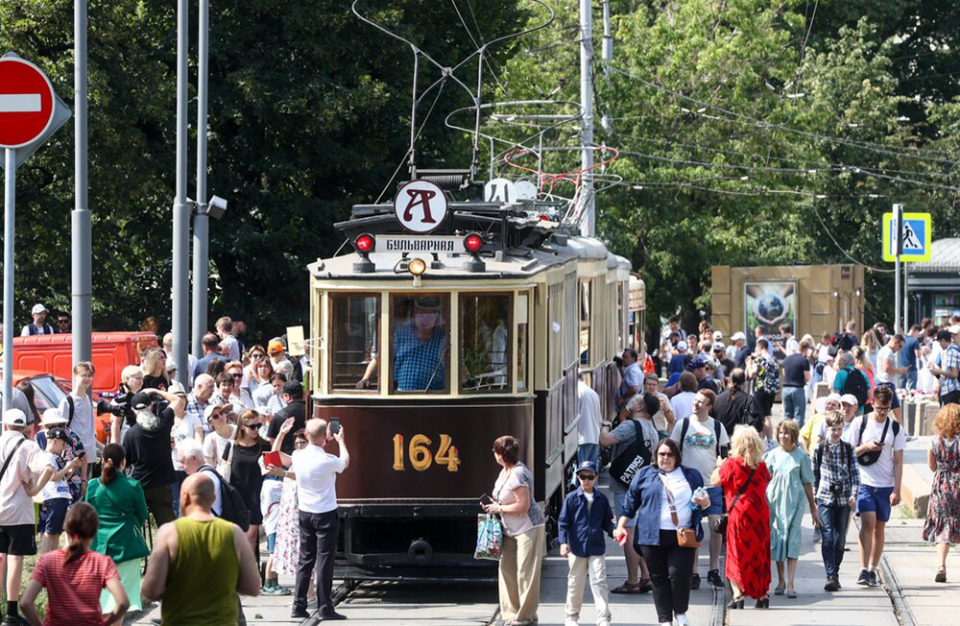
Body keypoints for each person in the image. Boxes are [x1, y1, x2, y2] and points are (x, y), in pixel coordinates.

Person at [141, 473, 261, 625]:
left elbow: (151, 591)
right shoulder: (234, 533)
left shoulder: (169, 533)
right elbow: (252, 587)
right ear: (213, 499)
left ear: (185, 497)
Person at [614, 438, 710, 626]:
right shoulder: (645, 474)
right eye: (661, 454)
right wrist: (620, 526)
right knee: (658, 579)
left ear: (677, 456)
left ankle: (680, 612)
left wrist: (704, 502)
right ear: (656, 456)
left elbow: (703, 505)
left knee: (679, 575)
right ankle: (665, 620)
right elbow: (630, 504)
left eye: (670, 454)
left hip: (682, 535)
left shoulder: (691, 475)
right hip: (651, 536)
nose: (665, 458)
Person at [271, 418, 349, 620]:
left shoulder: (298, 456)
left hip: (305, 513)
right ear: (325, 437)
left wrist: (281, 433)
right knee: (324, 561)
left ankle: (298, 605)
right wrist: (341, 441)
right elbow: (345, 462)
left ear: (306, 436)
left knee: (305, 560)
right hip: (325, 513)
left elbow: (275, 455)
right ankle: (325, 607)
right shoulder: (328, 460)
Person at [20, 503, 129, 626]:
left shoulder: (47, 560)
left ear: (66, 528)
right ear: (94, 531)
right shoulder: (102, 562)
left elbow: (25, 603)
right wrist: (104, 624)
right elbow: (123, 602)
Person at [481, 435, 546, 626]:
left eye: (495, 451)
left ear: (501, 454)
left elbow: (523, 506)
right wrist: (494, 504)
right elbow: (506, 498)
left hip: (528, 527)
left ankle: (526, 617)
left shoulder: (518, 474)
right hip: (509, 529)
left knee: (526, 573)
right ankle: (511, 614)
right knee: (506, 570)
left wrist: (499, 508)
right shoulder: (504, 472)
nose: (494, 454)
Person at [845, 385, 905, 588]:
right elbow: (847, 453)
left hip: (886, 484)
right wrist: (866, 447)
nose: (882, 412)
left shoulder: (895, 428)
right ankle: (863, 569)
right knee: (868, 523)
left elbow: (898, 461)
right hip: (864, 482)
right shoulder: (860, 423)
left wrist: (897, 489)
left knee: (879, 527)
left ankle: (872, 568)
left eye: (886, 409)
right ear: (873, 404)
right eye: (879, 408)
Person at [670, 389, 730, 589]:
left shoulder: (717, 427)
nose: (695, 404)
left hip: (712, 485)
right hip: (689, 485)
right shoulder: (683, 425)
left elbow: (724, 454)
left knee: (716, 526)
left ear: (709, 406)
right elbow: (673, 451)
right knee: (693, 529)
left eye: (700, 402)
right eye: (695, 400)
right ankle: (693, 572)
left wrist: (723, 471)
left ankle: (713, 570)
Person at [84, 443, 149, 614]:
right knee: (118, 605)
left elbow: (86, 516)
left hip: (98, 548)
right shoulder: (133, 485)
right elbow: (142, 516)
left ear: (103, 460)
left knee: (101, 603)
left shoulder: (92, 485)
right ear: (124, 462)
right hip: (127, 548)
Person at [712, 425, 771, 609]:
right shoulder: (761, 466)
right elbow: (767, 481)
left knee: (736, 552)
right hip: (760, 513)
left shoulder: (731, 463)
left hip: (739, 514)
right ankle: (762, 594)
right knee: (759, 553)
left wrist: (719, 465)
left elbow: (714, 481)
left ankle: (738, 594)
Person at [764, 419, 820, 597]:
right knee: (779, 539)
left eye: (787, 433)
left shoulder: (801, 457)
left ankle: (791, 583)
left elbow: (807, 483)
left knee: (793, 540)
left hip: (795, 503)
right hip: (774, 503)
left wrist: (813, 507)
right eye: (781, 432)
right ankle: (781, 580)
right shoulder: (771, 455)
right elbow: (764, 479)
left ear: (793, 435)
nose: (783, 436)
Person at [559, 461, 613, 626]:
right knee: (575, 583)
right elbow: (563, 523)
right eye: (583, 477)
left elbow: (607, 522)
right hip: (577, 547)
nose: (586, 480)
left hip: (596, 547)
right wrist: (563, 542)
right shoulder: (571, 498)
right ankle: (571, 617)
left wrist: (614, 532)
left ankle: (603, 617)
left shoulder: (601, 499)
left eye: (590, 477)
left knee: (599, 581)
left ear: (596, 478)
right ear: (578, 478)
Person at [122, 389, 186, 526]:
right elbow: (177, 400)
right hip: (162, 484)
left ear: (134, 411)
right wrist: (154, 390)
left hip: (139, 485)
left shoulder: (131, 434)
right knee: (168, 526)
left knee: (132, 524)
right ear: (151, 406)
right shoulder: (163, 422)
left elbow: (125, 462)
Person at [813, 411, 859, 591]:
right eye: (833, 429)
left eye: (839, 429)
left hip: (844, 499)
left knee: (840, 541)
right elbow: (814, 474)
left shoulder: (848, 449)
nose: (836, 433)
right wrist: (814, 499)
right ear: (826, 428)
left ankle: (835, 572)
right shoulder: (819, 449)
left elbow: (855, 474)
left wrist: (854, 494)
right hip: (824, 497)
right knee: (828, 537)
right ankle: (830, 575)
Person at [922, 404, 960, 583]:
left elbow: (932, 467)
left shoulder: (934, 441)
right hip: (958, 483)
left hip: (941, 486)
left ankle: (941, 566)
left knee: (943, 526)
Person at [229, 410, 272, 558]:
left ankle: (248, 568)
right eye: (252, 426)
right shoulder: (231, 446)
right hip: (236, 496)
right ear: (242, 426)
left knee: (251, 536)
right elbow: (223, 468)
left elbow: (274, 469)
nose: (256, 430)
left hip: (256, 495)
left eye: (259, 425)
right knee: (237, 537)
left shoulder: (265, 446)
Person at [36, 428, 83, 555]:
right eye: (63, 444)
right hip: (54, 497)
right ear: (55, 441)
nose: (64, 448)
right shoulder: (47, 457)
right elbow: (53, 477)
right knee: (50, 531)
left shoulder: (54, 458)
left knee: (56, 532)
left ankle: (53, 558)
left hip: (60, 496)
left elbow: (62, 478)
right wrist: (68, 467)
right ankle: (45, 558)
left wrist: (72, 469)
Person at [57, 361, 97, 483]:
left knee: (87, 490)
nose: (87, 379)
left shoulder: (88, 399)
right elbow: (60, 429)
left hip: (90, 455)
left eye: (89, 376)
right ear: (75, 376)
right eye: (83, 375)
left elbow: (90, 429)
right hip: (74, 458)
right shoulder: (67, 402)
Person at [35, 409, 86, 505]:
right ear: (46, 426)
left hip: (70, 484)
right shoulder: (39, 438)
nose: (58, 429)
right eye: (53, 427)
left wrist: (83, 480)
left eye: (61, 425)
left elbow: (83, 456)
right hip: (48, 487)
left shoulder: (71, 436)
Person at [169, 382, 202, 516]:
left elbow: (199, 442)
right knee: (175, 502)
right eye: (176, 398)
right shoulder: (166, 419)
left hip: (190, 466)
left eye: (182, 397)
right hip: (172, 465)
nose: (180, 401)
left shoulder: (193, 419)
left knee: (191, 500)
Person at [712, 368, 763, 437]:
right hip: (740, 439)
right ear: (744, 383)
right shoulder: (749, 400)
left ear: (729, 380)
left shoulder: (717, 399)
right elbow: (757, 424)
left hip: (720, 438)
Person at [267, 381, 307, 455]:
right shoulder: (313, 412)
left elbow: (271, 439)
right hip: (310, 457)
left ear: (287, 396)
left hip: (285, 458)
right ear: (304, 394)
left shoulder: (278, 416)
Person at [108, 365, 143, 445]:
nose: (141, 381)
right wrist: (116, 446)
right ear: (127, 379)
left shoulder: (139, 397)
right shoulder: (119, 400)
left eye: (142, 378)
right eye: (138, 378)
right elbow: (115, 424)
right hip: (125, 442)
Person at [875, 334, 906, 422]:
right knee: (888, 409)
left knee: (895, 409)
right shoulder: (888, 352)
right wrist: (900, 371)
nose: (899, 349)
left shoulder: (883, 350)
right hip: (886, 383)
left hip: (883, 382)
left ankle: (899, 427)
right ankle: (898, 428)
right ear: (895, 342)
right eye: (900, 346)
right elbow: (886, 368)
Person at [576, 372, 602, 468]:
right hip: (594, 437)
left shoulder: (578, 392)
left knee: (582, 470)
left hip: (582, 438)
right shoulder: (593, 393)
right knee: (591, 471)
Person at [203, 404, 237, 476]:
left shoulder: (238, 430)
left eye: (221, 413)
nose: (220, 417)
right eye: (215, 416)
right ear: (210, 422)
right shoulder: (210, 439)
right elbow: (209, 467)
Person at [929, 327, 960, 406]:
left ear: (943, 340)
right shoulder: (949, 351)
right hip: (948, 389)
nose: (940, 345)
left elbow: (954, 374)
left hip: (951, 390)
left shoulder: (951, 352)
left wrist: (938, 371)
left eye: (939, 342)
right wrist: (936, 373)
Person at [781, 346, 811, 427]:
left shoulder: (786, 359)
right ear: (805, 350)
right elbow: (807, 378)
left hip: (785, 389)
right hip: (797, 389)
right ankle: (797, 434)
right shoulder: (804, 360)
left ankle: (786, 433)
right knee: (799, 416)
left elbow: (784, 373)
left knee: (787, 416)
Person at [900, 325, 923, 391]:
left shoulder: (902, 339)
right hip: (911, 367)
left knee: (901, 389)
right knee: (912, 390)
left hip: (901, 367)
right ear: (915, 331)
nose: (918, 335)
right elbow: (918, 355)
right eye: (918, 333)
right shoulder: (915, 341)